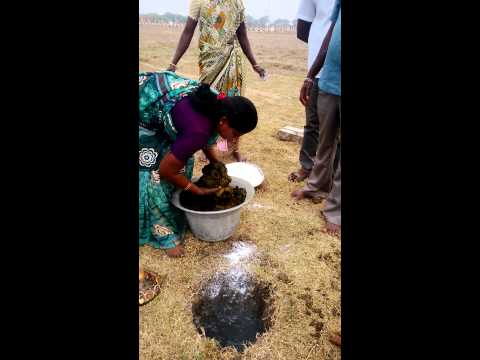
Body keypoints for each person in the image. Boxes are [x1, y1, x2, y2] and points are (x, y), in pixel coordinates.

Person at [139, 71, 258, 257]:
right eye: (235, 133)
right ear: (224, 121)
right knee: (154, 174)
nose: (235, 139)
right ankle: (162, 233)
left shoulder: (218, 105)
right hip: (145, 106)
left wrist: (215, 162)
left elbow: (206, 134)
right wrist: (196, 190)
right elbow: (165, 171)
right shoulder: (198, 130)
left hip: (171, 103)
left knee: (182, 162)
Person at [166, 0, 265, 162]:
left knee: (232, 106)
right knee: (209, 104)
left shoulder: (237, 2)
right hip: (209, 61)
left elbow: (242, 35)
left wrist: (255, 63)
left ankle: (231, 149)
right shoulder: (199, 1)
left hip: (232, 61)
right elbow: (187, 32)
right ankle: (206, 147)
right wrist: (173, 63)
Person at [292, 0, 341, 236]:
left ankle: (335, 209)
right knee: (325, 141)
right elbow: (330, 35)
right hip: (329, 77)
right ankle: (317, 187)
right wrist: (311, 75)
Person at [288, 0, 335, 183]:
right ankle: (307, 166)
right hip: (318, 70)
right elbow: (302, 30)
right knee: (313, 122)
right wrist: (324, 48)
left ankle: (330, 172)